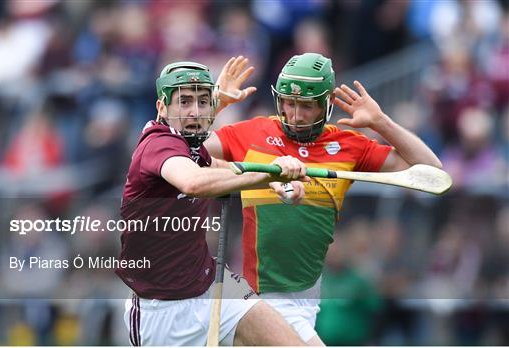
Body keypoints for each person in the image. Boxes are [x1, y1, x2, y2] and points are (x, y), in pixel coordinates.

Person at [205, 52, 442, 345]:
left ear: (326, 103)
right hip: (261, 299)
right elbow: (179, 150)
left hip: (307, 300)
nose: (295, 115)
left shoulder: (348, 146)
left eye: (306, 106)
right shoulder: (251, 133)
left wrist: (381, 122)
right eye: (288, 103)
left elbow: (431, 170)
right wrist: (216, 104)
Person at [115, 58, 309, 346]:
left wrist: (276, 177)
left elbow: (224, 168)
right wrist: (264, 177)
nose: (195, 111)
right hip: (163, 311)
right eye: (185, 102)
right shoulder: (159, 145)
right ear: (161, 108)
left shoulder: (192, 146)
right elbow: (194, 183)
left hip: (213, 283)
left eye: (204, 102)